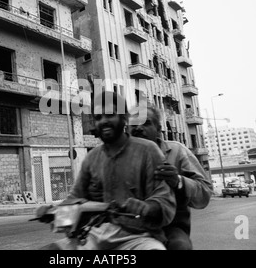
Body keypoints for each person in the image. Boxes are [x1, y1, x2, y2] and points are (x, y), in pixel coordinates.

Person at [37, 91, 176, 250]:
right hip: (96, 235)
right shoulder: (92, 158)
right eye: (98, 117)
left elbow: (165, 199)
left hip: (138, 237)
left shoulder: (148, 150)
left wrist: (148, 207)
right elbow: (75, 198)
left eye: (109, 115)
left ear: (124, 117)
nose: (103, 121)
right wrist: (52, 211)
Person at [128, 104, 213, 250]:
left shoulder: (177, 151)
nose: (139, 128)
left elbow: (205, 193)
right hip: (128, 228)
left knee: (180, 246)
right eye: (134, 124)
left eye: (146, 123)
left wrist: (178, 181)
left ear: (158, 130)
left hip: (169, 227)